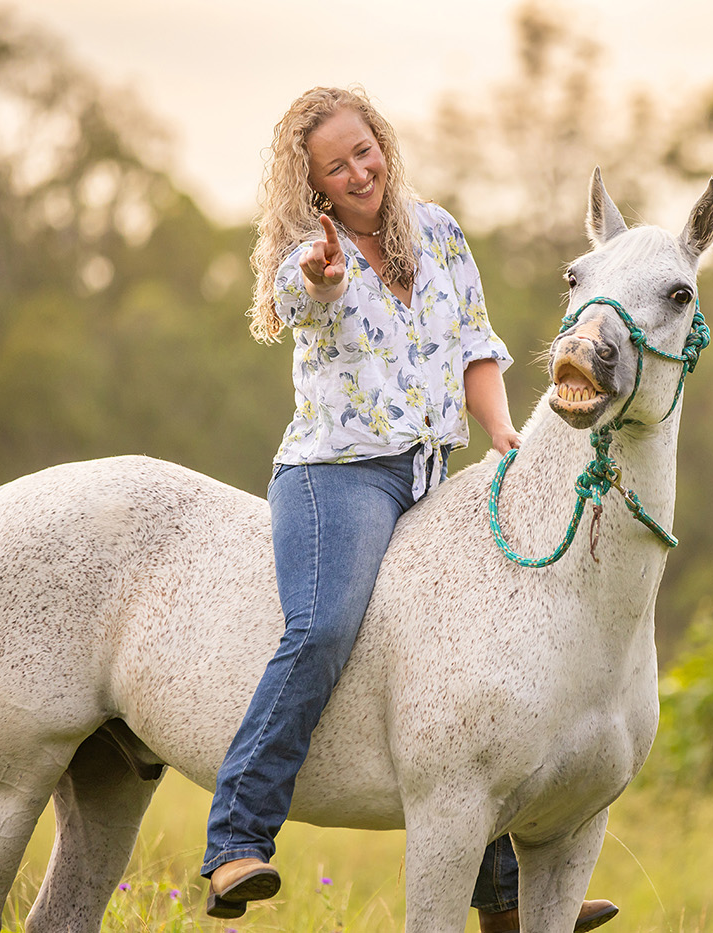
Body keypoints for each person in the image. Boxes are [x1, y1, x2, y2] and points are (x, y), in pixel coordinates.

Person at [201, 86, 618, 933]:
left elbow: (475, 342)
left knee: (479, 669)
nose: (359, 172)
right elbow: (295, 299)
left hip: (435, 472)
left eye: (365, 150)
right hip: (339, 477)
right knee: (320, 627)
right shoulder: (306, 251)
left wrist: (501, 428)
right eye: (335, 167)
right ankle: (235, 839)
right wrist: (320, 275)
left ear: (381, 143)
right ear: (311, 186)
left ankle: (508, 900)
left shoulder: (438, 232)